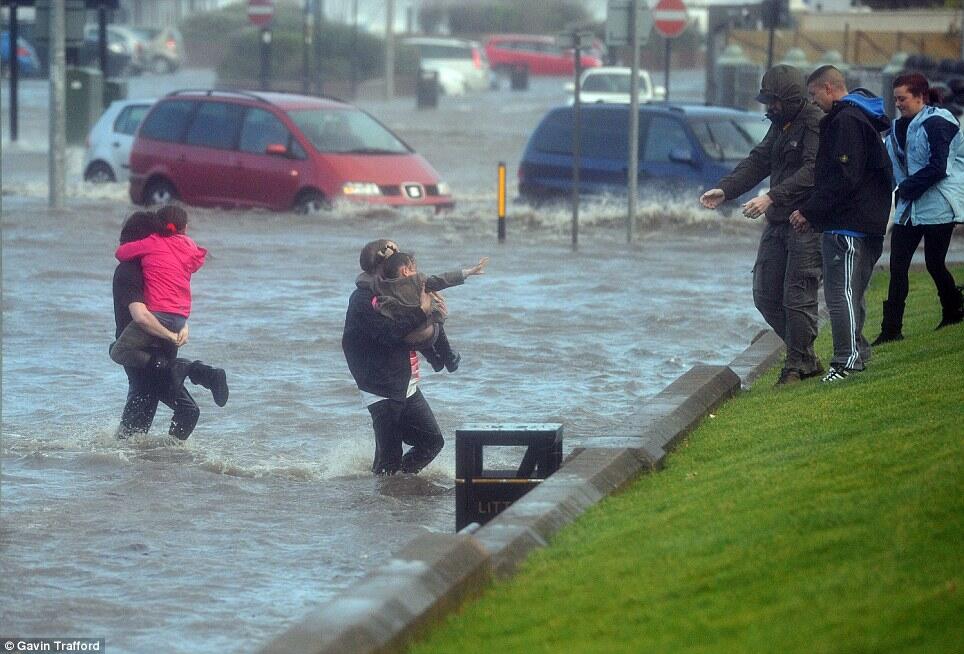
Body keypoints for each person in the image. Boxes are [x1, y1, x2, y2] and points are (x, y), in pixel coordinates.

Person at [700, 64, 824, 385]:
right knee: (765, 295)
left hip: (805, 222)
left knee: (797, 296)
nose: (769, 108)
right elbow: (758, 160)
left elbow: (812, 172)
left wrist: (770, 197)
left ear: (792, 99)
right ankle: (805, 356)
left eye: (774, 102)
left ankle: (796, 365)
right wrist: (726, 189)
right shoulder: (780, 125)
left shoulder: (814, 124)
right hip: (778, 222)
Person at [789, 65, 894, 382]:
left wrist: (809, 211)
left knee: (840, 295)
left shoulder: (845, 121)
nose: (813, 102)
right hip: (869, 222)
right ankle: (857, 354)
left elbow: (842, 177)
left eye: (813, 94)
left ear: (829, 89)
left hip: (846, 226)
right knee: (853, 293)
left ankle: (845, 361)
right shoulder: (862, 118)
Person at [112, 211, 229, 440]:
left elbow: (154, 310)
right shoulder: (141, 269)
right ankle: (166, 463)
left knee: (134, 435)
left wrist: (179, 328)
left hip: (152, 355)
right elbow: (154, 310)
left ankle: (160, 464)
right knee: (183, 411)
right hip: (150, 357)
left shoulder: (142, 268)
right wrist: (176, 329)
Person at [873, 72, 964, 343]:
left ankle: (953, 310)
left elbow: (938, 167)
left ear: (921, 97)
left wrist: (907, 189)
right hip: (910, 208)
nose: (898, 103)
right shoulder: (897, 127)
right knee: (897, 265)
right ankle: (891, 330)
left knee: (934, 263)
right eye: (896, 99)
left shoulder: (938, 123)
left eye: (903, 99)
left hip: (938, 206)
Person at [342, 239, 446, 475]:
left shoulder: (396, 293)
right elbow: (391, 335)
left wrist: (435, 321)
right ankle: (385, 502)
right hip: (381, 389)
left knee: (432, 442)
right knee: (388, 462)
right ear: (383, 267)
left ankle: (400, 487)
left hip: (406, 385)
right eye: (399, 263)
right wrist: (422, 311)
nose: (406, 269)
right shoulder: (362, 301)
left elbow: (416, 334)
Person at [372, 251, 489, 373]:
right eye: (413, 269)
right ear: (405, 271)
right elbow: (442, 280)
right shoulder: (418, 281)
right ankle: (449, 359)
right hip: (427, 334)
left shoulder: (381, 288)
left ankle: (435, 361)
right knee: (435, 315)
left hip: (406, 339)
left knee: (416, 321)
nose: (415, 272)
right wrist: (468, 272)